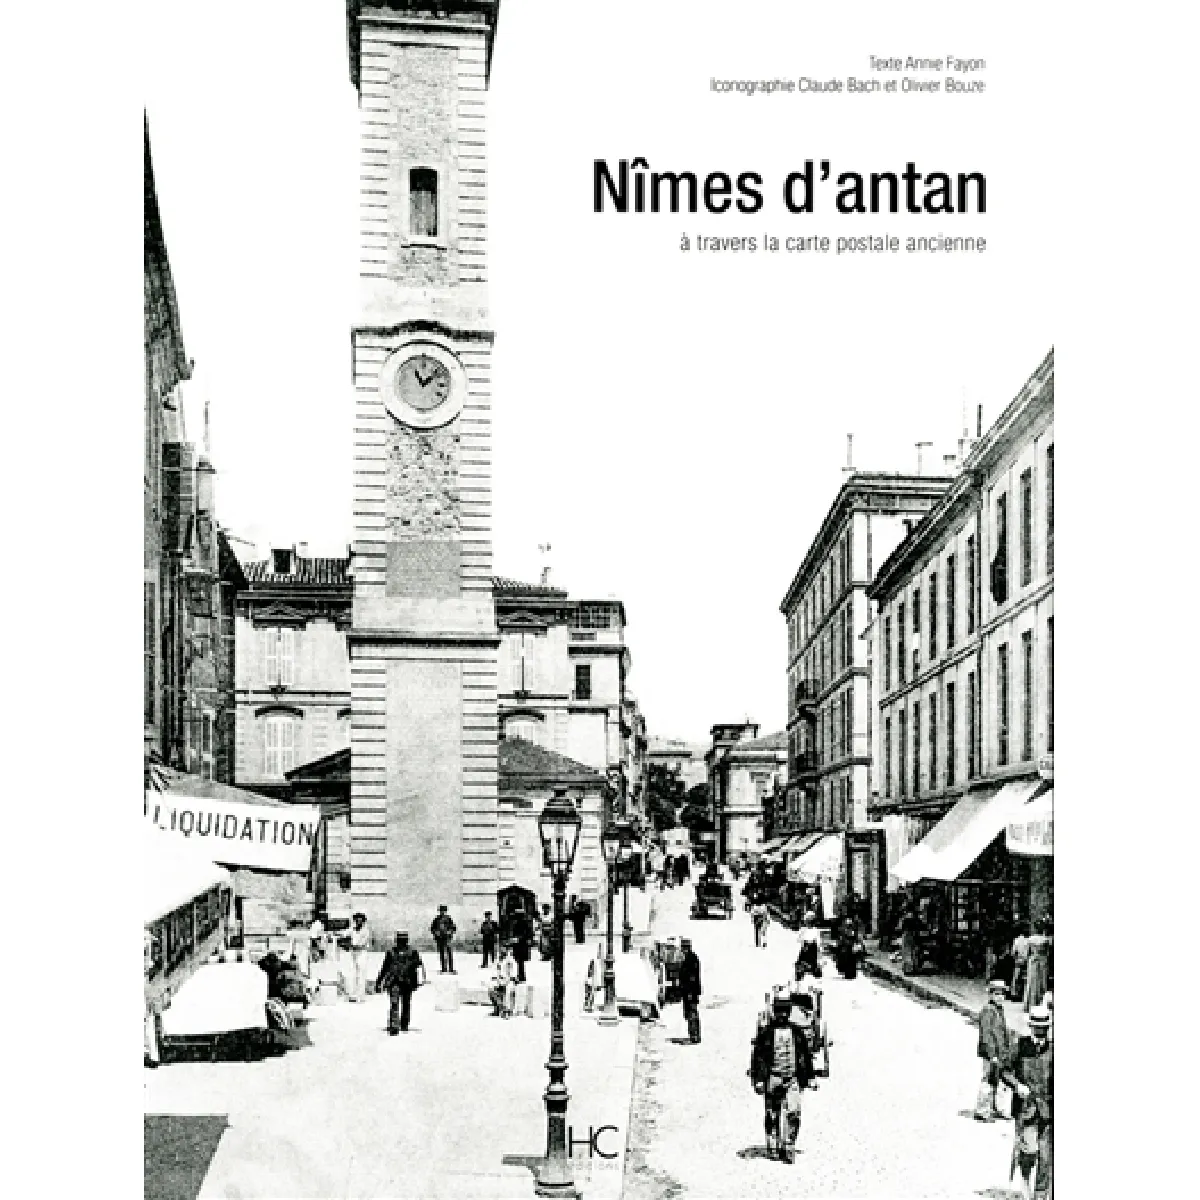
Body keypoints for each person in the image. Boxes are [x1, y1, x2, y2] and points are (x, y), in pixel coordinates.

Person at [750, 993, 815, 1163]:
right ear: (774, 1012)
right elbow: (758, 1057)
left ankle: (788, 1146)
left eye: (786, 1011)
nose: (783, 1015)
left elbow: (805, 1056)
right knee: (772, 1113)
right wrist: (758, 1079)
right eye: (779, 1011)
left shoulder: (797, 1033)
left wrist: (809, 1077)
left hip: (792, 1078)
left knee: (793, 1112)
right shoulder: (766, 1033)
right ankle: (773, 1145)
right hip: (773, 1078)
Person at [1001, 1004, 1053, 1200]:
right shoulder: (1019, 1046)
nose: (1041, 1032)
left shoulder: (1053, 1049)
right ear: (1031, 1027)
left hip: (1048, 1111)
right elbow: (1004, 1070)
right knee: (1029, 1150)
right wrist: (1017, 1086)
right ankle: (1024, 1182)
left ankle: (1040, 1196)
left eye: (1044, 1028)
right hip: (1026, 1110)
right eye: (1037, 1028)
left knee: (1046, 1158)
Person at [974, 980, 1013, 1121]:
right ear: (990, 995)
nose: (1000, 997)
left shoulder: (999, 1010)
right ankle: (982, 1110)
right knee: (988, 1080)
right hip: (991, 1053)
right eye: (996, 994)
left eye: (1002, 994)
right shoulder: (988, 1010)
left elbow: (1002, 1032)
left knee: (999, 1080)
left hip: (1000, 1052)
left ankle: (997, 1108)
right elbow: (986, 1035)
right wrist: (992, 1054)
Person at [375, 931, 426, 1035]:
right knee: (399, 1003)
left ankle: (401, 1024)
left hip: (404, 982)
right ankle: (398, 1025)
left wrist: (379, 982)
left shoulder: (410, 952)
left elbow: (419, 967)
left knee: (402, 1003)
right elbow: (385, 968)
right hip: (397, 981)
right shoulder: (395, 952)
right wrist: (379, 981)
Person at [1023, 918, 1051, 1011]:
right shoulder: (1045, 940)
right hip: (1042, 961)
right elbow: (1047, 953)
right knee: (1042, 982)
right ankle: (1041, 1004)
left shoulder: (1030, 939)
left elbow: (1027, 953)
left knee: (1031, 982)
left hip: (1033, 961)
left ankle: (1030, 1004)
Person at [678, 937, 702, 1044]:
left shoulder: (691, 959)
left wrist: (690, 992)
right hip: (688, 991)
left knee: (692, 1013)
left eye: (683, 948)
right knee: (689, 1013)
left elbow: (692, 978)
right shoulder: (689, 958)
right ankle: (693, 1035)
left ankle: (695, 1036)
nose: (682, 950)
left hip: (690, 991)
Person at [489, 944, 518, 1017]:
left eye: (504, 948)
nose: (502, 950)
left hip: (509, 980)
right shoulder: (497, 960)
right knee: (491, 987)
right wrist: (497, 979)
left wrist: (506, 980)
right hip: (500, 980)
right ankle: (499, 1008)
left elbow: (513, 975)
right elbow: (495, 972)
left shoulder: (510, 961)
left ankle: (507, 1010)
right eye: (501, 948)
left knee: (508, 988)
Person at [347, 912, 370, 1002]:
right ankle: (353, 995)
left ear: (363, 921)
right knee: (353, 974)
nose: (358, 922)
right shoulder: (352, 929)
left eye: (360, 920)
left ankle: (361, 996)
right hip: (353, 953)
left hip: (362, 953)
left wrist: (350, 945)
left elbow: (361, 944)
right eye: (356, 920)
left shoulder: (365, 931)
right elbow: (344, 934)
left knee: (361, 974)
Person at [430, 905, 457, 974]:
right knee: (442, 953)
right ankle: (443, 968)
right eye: (441, 911)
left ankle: (451, 968)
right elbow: (432, 928)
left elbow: (453, 928)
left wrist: (449, 932)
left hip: (447, 938)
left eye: (444, 911)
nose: (442, 912)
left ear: (445, 911)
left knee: (449, 953)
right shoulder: (436, 919)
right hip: (440, 939)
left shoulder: (449, 919)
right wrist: (436, 933)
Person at [796, 911, 822, 978]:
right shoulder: (803, 930)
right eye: (808, 921)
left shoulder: (815, 930)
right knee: (802, 959)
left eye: (811, 922)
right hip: (805, 946)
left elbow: (818, 940)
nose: (809, 923)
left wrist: (818, 947)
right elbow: (798, 939)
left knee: (814, 959)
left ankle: (815, 969)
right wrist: (802, 942)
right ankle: (800, 970)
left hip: (813, 947)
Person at [900, 902, 923, 975]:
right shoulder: (916, 917)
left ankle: (908, 970)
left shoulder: (905, 917)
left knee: (907, 951)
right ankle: (914, 968)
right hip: (914, 935)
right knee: (913, 952)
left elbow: (901, 927)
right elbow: (920, 926)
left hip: (907, 934)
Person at [1011, 922, 1032, 998]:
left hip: (1018, 961)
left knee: (1016, 977)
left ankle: (1015, 994)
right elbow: (1030, 952)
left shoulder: (1016, 940)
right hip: (1026, 961)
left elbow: (1013, 952)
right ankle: (1023, 994)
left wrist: (1016, 958)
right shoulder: (1028, 941)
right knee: (1025, 978)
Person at [512, 910, 532, 983]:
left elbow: (527, 934)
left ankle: (521, 976)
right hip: (520, 945)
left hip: (521, 945)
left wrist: (518, 938)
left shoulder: (522, 924)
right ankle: (521, 975)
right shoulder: (521, 923)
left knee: (520, 961)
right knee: (520, 962)